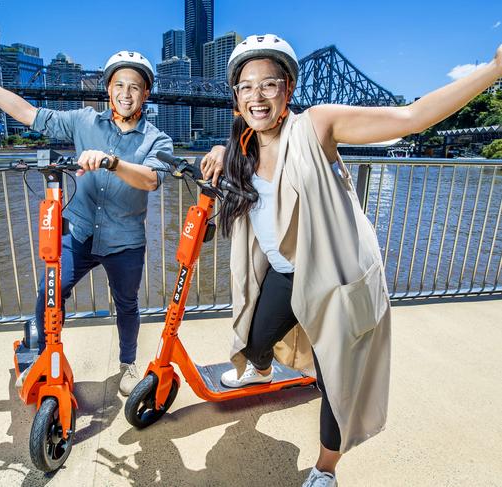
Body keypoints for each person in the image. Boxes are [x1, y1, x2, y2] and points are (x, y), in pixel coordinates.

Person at [201, 34, 502, 486]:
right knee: (254, 344)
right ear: (236, 97)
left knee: (336, 385)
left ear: (288, 89)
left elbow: (412, 117)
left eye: (269, 84)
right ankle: (261, 373)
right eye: (245, 86)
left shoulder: (316, 126)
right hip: (285, 276)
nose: (256, 96)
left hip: (332, 282)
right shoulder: (241, 149)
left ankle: (325, 470)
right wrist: (222, 151)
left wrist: (495, 67)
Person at [0, 39, 173, 395]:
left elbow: (151, 179)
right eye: (119, 85)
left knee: (127, 305)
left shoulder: (157, 139)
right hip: (80, 230)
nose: (126, 94)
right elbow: (29, 114)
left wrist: (111, 161)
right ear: (107, 89)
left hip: (125, 240)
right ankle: (46, 358)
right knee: (50, 293)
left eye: (134, 86)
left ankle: (128, 364)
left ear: (145, 93)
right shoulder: (82, 121)